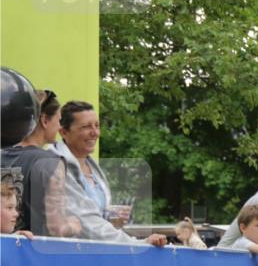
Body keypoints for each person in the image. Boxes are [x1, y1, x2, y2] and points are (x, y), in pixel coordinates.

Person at [52, 101, 166, 246]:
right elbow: (87, 223)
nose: (95, 133)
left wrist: (111, 219)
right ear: (63, 132)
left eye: (97, 126)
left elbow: (95, 220)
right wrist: (138, 243)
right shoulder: (56, 166)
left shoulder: (93, 167)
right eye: (86, 127)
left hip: (95, 254)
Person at [1, 89, 79, 237]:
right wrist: (74, 225)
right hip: (36, 254)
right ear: (44, 120)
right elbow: (56, 227)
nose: (60, 127)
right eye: (59, 120)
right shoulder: (51, 163)